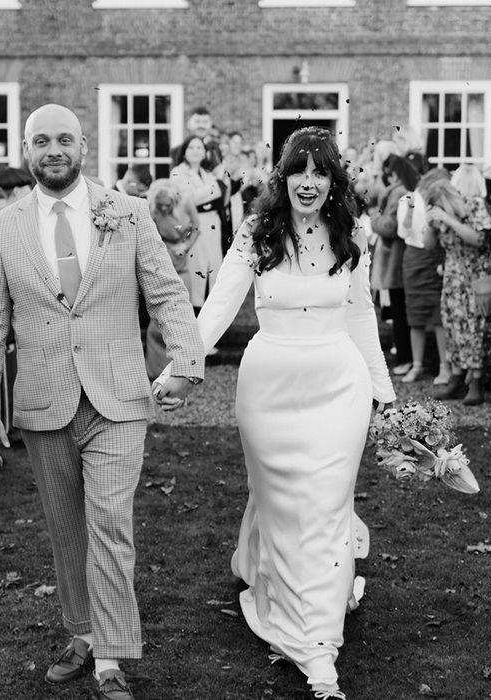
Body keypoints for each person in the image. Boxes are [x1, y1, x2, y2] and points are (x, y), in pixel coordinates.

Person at [0, 103, 205, 700]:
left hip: (118, 397)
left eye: (64, 139)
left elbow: (168, 294)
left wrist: (186, 365)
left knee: (109, 522)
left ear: (83, 146)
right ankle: (82, 633)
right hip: (44, 400)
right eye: (41, 140)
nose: (54, 150)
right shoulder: (4, 228)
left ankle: (111, 657)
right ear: (26, 150)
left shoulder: (125, 213)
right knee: (67, 528)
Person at [156, 126, 395, 698]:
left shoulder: (353, 233)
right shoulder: (257, 232)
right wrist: (183, 368)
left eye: (319, 172)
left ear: (333, 178)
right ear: (281, 177)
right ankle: (285, 587)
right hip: (269, 391)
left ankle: (318, 651)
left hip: (340, 386)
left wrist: (384, 397)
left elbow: (362, 317)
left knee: (326, 504)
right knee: (286, 505)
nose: (308, 183)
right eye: (298, 171)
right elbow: (217, 307)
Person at [424, 179, 491, 406]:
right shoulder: (439, 217)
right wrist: (429, 226)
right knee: (452, 326)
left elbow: (479, 239)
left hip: (475, 276)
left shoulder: (474, 206)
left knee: (475, 328)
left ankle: (476, 381)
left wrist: (448, 219)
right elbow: (428, 246)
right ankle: (456, 377)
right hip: (452, 278)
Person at [397, 166, 451, 385]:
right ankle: (417, 365)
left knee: (440, 316)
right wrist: (410, 211)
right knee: (415, 314)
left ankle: (444, 367)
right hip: (414, 258)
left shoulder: (440, 199)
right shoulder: (408, 198)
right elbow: (402, 232)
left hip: (437, 255)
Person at [143, 178, 201, 379]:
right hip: (162, 256)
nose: (165, 209)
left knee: (183, 311)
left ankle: (183, 365)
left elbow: (197, 228)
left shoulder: (186, 202)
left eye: (168, 206)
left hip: (181, 256)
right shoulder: (152, 209)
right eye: (162, 207)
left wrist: (185, 246)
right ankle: (155, 368)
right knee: (158, 316)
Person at [170, 135, 226, 313]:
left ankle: (211, 314)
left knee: (213, 268)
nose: (195, 151)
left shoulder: (207, 173)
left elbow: (219, 199)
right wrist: (214, 188)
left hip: (212, 223)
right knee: (197, 269)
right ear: (184, 151)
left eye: (199, 148)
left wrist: (212, 192)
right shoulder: (178, 172)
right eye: (191, 147)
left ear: (205, 153)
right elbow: (187, 199)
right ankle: (194, 313)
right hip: (193, 225)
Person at [370, 154, 413, 375]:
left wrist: (372, 219)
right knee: (398, 309)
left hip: (395, 256)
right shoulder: (399, 190)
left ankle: (405, 358)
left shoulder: (398, 192)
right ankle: (404, 356)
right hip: (394, 256)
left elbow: (391, 226)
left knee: (399, 310)